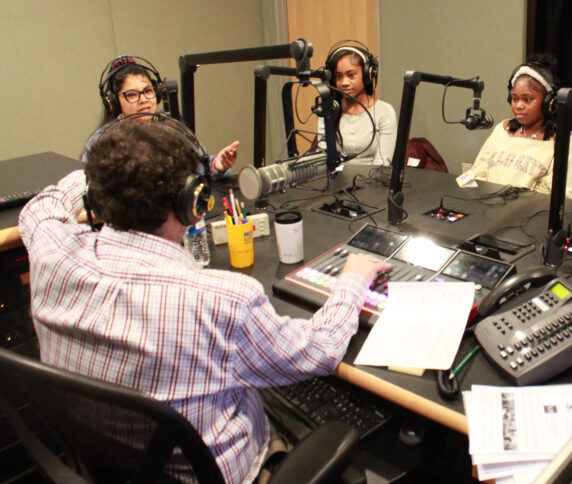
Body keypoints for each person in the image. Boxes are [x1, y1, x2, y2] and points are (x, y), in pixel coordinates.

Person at [18, 119, 391, 483]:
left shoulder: (53, 254)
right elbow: (319, 351)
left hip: (109, 467)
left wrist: (107, 171)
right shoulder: (222, 300)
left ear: (96, 197)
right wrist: (353, 280)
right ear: (194, 201)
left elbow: (40, 206)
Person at [98, 55, 239, 176]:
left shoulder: (170, 129)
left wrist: (217, 164)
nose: (143, 99)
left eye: (147, 91)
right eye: (132, 94)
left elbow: (199, 167)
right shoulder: (103, 143)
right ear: (114, 102)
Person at [469, 56, 572, 199]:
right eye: (514, 99)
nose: (518, 106)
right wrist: (458, 188)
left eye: (527, 99)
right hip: (487, 210)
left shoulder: (564, 142)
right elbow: (475, 173)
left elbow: (569, 199)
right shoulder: (502, 129)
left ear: (548, 103)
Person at [316, 41, 397, 165]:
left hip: (373, 180)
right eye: (338, 77)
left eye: (351, 75)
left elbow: (382, 164)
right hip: (337, 180)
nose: (344, 82)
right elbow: (324, 158)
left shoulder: (385, 112)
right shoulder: (329, 111)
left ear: (367, 75)